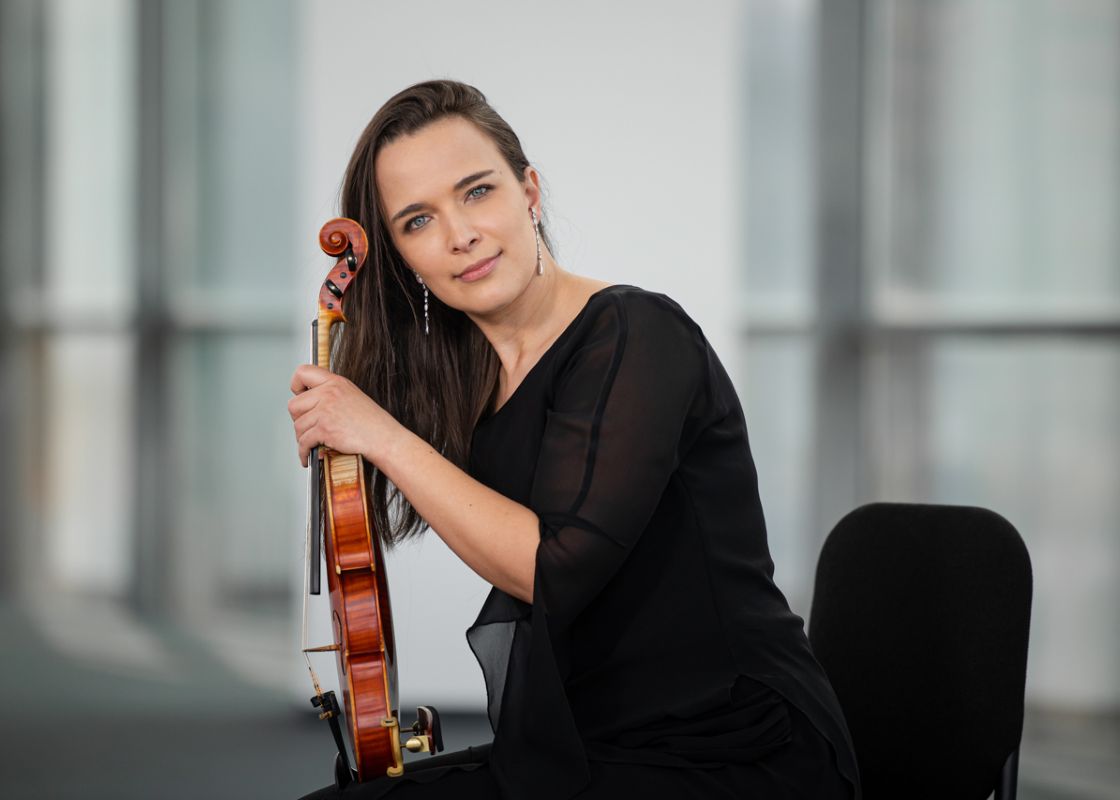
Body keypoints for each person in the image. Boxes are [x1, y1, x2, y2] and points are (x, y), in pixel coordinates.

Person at [288, 80, 861, 800]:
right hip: (597, 737)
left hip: (735, 745)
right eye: (417, 220)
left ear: (529, 192)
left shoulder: (637, 334)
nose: (460, 234)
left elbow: (552, 568)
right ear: (401, 257)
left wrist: (384, 438)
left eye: (476, 192)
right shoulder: (468, 379)